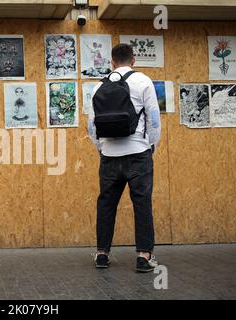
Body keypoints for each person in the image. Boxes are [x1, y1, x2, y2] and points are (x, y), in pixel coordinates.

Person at [88, 43, 161, 272]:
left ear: (111, 62)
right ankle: (143, 256)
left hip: (109, 155)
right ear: (133, 60)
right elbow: (154, 119)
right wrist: (151, 145)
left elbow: (91, 126)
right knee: (142, 204)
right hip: (138, 154)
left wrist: (101, 148)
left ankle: (102, 254)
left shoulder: (98, 86)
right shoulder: (143, 81)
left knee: (107, 204)